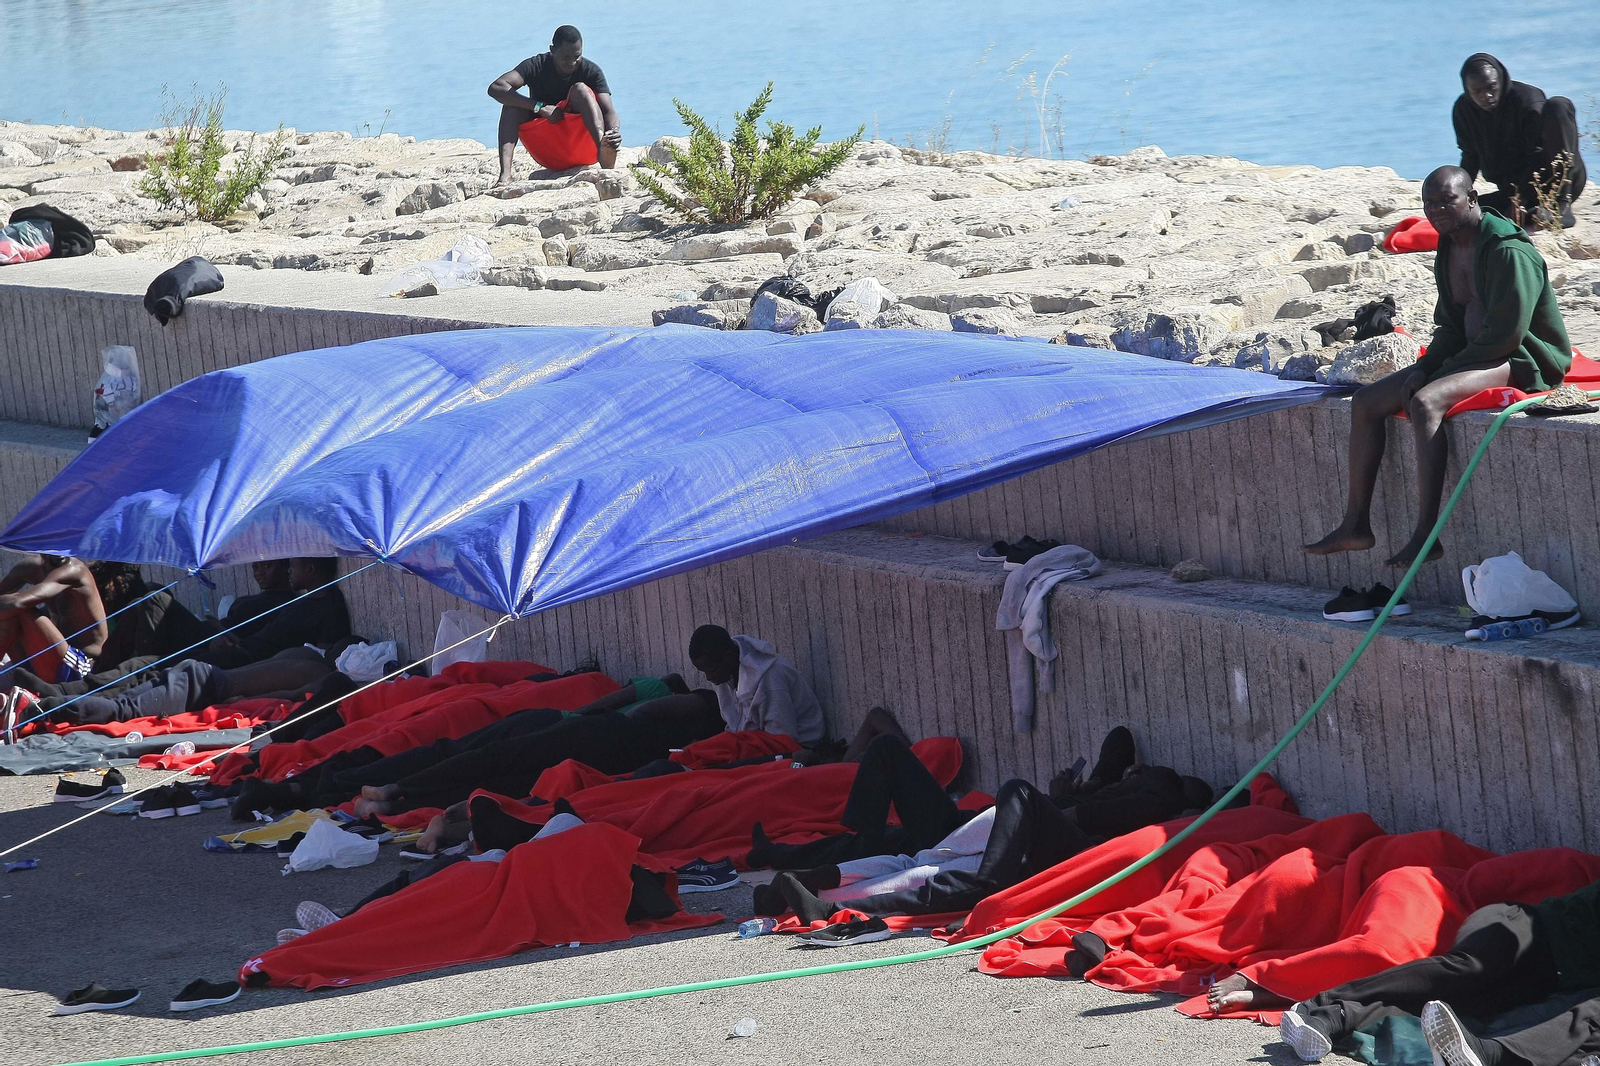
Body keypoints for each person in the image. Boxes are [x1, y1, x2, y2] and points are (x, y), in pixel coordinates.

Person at [1304, 165, 1572, 567]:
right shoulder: (1449, 245)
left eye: (1447, 200)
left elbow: (1506, 335)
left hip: (1520, 357)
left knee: (1427, 403)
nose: (1437, 210)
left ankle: (1427, 536)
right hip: (1472, 350)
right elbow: (1450, 324)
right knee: (1366, 401)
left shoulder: (1508, 252)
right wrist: (1425, 366)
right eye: (1429, 203)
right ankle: (1355, 525)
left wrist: (1439, 375)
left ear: (1473, 198)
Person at [760, 728, 1213, 924]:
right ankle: (809, 884)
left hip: (1040, 842)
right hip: (998, 831)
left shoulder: (1162, 793)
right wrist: (1084, 783)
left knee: (1015, 792)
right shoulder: (1109, 782)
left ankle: (980, 886)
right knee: (905, 839)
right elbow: (1118, 741)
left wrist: (1059, 805)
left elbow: (1151, 793)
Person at [1276, 880, 1600, 1066]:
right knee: (1470, 969)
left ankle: (1334, 1017)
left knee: (1462, 1007)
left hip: (1541, 982)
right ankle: (1319, 1003)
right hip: (1521, 927)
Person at [18, 649, 337, 727]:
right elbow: (291, 697)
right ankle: (42, 710)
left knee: (123, 696)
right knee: (124, 709)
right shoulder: (320, 674)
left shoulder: (304, 655)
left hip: (198, 672)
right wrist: (246, 700)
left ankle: (47, 699)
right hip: (204, 685)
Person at [1453, 53, 1587, 230]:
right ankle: (1532, 212)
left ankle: (1561, 206)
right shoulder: (1464, 110)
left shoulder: (1527, 100)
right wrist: (1459, 197)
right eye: (1477, 91)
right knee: (1466, 211)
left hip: (1557, 182)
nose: (1486, 95)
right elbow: (1470, 156)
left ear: (1501, 79)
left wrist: (1520, 199)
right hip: (1515, 191)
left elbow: (1537, 156)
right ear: (1468, 90)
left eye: (1492, 87)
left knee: (1558, 105)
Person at [488, 24, 620, 182]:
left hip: (584, 148)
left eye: (577, 56)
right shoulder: (537, 65)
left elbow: (609, 111)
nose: (572, 62)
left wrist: (613, 132)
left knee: (581, 90)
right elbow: (496, 87)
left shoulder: (590, 71)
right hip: (550, 152)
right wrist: (540, 107)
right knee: (511, 106)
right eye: (566, 57)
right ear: (552, 50)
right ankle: (505, 176)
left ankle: (603, 152)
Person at [195, 558, 350, 669]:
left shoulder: (329, 605)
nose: (289, 571)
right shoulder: (304, 601)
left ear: (310, 570)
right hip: (240, 650)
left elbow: (323, 656)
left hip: (248, 663)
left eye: (293, 566)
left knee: (185, 670)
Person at [687, 624, 826, 746]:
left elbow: (782, 739)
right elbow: (735, 728)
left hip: (797, 748)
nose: (709, 678)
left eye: (711, 670)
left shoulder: (769, 676)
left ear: (728, 656)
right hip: (757, 744)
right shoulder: (724, 672)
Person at [0, 555, 108, 687]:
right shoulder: (31, 567)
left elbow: (17, 603)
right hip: (42, 663)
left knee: (19, 609)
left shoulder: (75, 570)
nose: (58, 552)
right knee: (9, 611)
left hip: (81, 668)